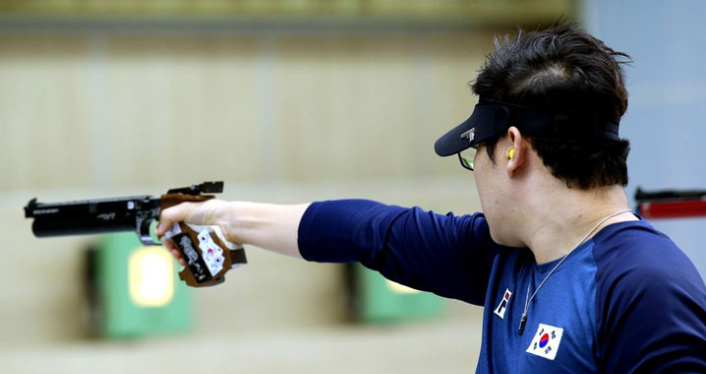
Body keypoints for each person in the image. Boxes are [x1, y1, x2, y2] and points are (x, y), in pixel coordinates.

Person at [155, 22, 706, 373]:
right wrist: (218, 217)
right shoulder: (506, 254)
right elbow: (368, 231)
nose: (476, 176)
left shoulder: (643, 286)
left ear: (511, 149)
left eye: (475, 155)